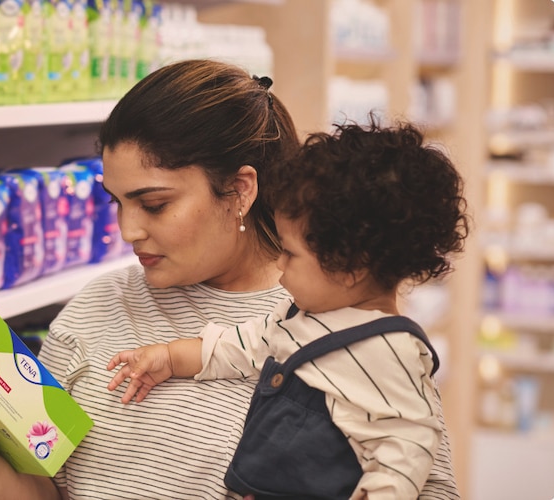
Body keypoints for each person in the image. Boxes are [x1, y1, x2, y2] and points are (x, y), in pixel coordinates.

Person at [0, 59, 458, 499]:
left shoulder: (345, 327)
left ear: (240, 190)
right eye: (117, 203)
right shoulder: (98, 308)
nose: (127, 230)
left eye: (154, 203)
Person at [106, 118, 469, 499]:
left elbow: (409, 444)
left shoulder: (391, 352)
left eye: (290, 254)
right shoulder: (298, 316)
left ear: (349, 268)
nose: (279, 264)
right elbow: (239, 346)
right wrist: (169, 357)